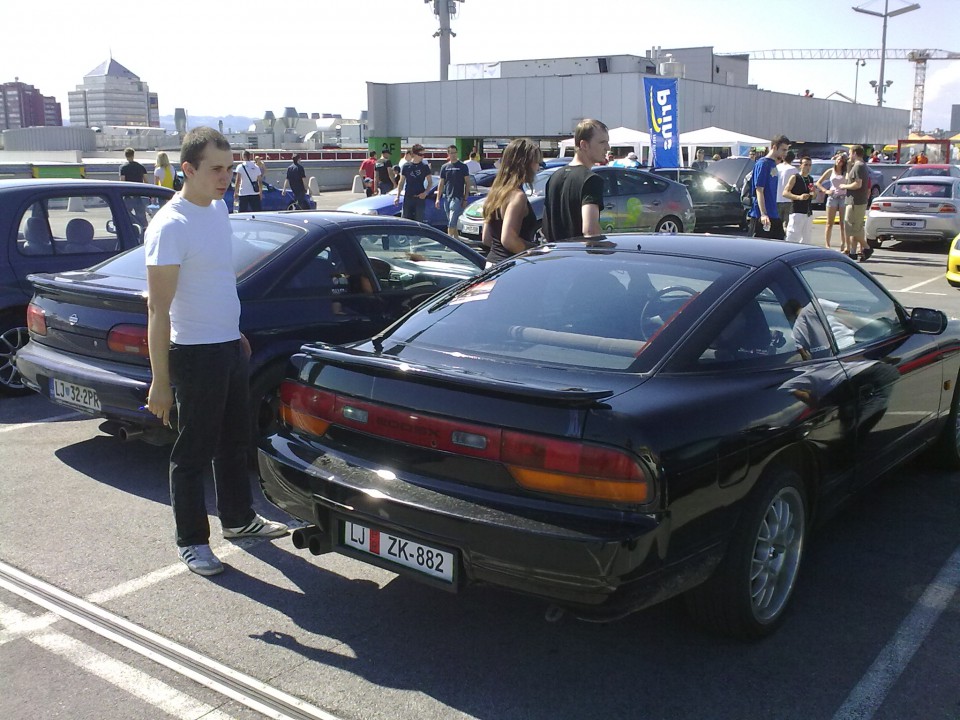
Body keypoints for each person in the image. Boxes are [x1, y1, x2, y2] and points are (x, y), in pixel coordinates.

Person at [144, 127, 288, 577]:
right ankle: (191, 541)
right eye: (216, 170)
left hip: (228, 345)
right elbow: (157, 309)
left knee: (234, 442)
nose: (226, 178)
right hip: (194, 353)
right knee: (191, 454)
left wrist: (235, 331)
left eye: (228, 168)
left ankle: (240, 520)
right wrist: (161, 382)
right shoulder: (171, 225)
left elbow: (216, 281)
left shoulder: (218, 208)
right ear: (188, 169)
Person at [542, 118, 609, 242]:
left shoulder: (554, 177)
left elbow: (546, 227)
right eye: (602, 142)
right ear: (584, 145)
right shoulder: (591, 180)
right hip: (580, 256)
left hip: (556, 255)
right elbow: (590, 231)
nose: (608, 147)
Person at [482, 138, 542, 266]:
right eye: (536, 162)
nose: (538, 168)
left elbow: (486, 238)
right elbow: (509, 240)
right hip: (510, 268)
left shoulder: (495, 193)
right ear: (525, 164)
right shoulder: (517, 197)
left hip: (491, 264)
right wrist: (537, 249)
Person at [748, 135, 790, 240]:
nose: (785, 153)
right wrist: (763, 214)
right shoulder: (763, 164)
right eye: (783, 150)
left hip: (773, 213)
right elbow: (759, 189)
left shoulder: (773, 165)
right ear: (774, 147)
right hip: (761, 215)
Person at [839, 145, 872, 261]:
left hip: (855, 201)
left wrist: (844, 186)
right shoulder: (857, 166)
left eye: (850, 152)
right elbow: (851, 178)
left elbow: (858, 184)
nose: (848, 155)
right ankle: (853, 252)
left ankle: (867, 247)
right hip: (856, 201)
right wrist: (848, 166)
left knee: (850, 227)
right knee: (856, 227)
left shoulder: (859, 166)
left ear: (854, 153)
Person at [435, 145, 470, 239]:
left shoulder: (463, 166)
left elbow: (467, 183)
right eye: (451, 153)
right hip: (447, 197)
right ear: (448, 154)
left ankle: (448, 242)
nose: (454, 155)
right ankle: (457, 241)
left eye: (455, 152)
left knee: (451, 221)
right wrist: (437, 198)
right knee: (451, 221)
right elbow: (441, 183)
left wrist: (465, 198)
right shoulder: (444, 167)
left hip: (457, 197)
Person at [815, 153, 848, 252]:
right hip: (832, 197)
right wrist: (825, 191)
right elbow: (818, 183)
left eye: (841, 160)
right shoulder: (830, 171)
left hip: (843, 197)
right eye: (838, 160)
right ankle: (827, 244)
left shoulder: (846, 172)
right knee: (829, 223)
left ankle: (843, 243)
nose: (839, 162)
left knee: (843, 223)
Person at [395, 144, 433, 222]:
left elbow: (430, 182)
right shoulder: (406, 166)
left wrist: (425, 193)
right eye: (420, 154)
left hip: (420, 198)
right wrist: (397, 196)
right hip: (408, 197)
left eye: (423, 155)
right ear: (414, 154)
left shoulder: (424, 167)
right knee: (405, 220)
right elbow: (401, 182)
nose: (422, 157)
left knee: (419, 221)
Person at [784, 156, 815, 244]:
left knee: (806, 238)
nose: (808, 167)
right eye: (805, 165)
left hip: (808, 212)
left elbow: (813, 193)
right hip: (797, 211)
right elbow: (785, 192)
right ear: (800, 165)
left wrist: (813, 194)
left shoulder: (810, 179)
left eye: (809, 165)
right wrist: (798, 197)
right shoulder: (795, 177)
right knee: (793, 236)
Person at [775, 150, 797, 223]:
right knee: (787, 224)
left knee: (777, 223)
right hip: (789, 199)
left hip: (777, 198)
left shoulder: (776, 167)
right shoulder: (793, 169)